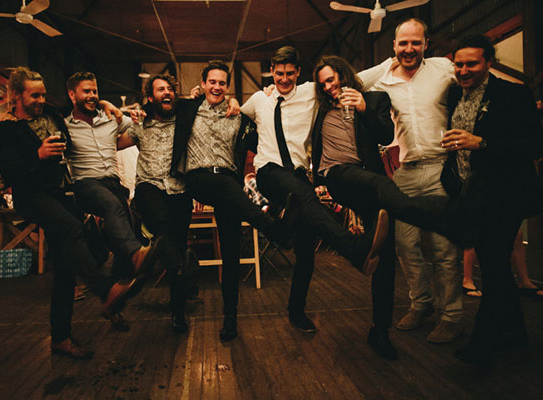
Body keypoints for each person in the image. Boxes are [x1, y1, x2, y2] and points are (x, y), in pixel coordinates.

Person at [0, 67, 155, 360]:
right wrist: (38, 155)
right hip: (32, 197)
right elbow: (8, 171)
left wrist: (104, 102)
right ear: (16, 95)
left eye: (43, 95)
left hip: (59, 194)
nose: (41, 100)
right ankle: (107, 289)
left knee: (65, 268)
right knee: (71, 228)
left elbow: (82, 105)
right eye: (34, 96)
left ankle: (61, 338)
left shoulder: (52, 115)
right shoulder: (3, 129)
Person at [311, 55, 454, 359]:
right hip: (337, 176)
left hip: (368, 179)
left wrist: (363, 107)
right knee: (382, 185)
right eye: (322, 83)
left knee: (384, 255)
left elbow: (386, 136)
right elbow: (286, 96)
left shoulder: (375, 99)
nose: (328, 87)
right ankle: (425, 213)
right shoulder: (319, 106)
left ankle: (380, 332)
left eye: (331, 80)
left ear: (343, 75)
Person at [241, 46, 389, 336]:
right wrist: (226, 101)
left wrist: (393, 62)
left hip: (298, 175)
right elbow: (233, 112)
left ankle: (296, 311)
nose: (284, 79)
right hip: (269, 172)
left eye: (289, 73)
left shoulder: (311, 92)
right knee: (306, 197)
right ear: (271, 71)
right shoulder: (259, 99)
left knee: (306, 247)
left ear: (298, 72)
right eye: (279, 73)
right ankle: (354, 249)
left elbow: (359, 77)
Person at [170, 60, 300, 341]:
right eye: (212, 82)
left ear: (228, 87)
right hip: (198, 178)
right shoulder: (188, 108)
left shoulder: (238, 115)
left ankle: (230, 319)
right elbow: (156, 108)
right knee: (223, 188)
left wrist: (268, 96)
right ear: (203, 83)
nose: (217, 87)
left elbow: (266, 133)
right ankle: (272, 227)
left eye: (222, 83)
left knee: (231, 254)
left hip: (229, 184)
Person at [358, 18, 463, 344]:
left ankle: (451, 316)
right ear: (394, 46)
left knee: (444, 249)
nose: (409, 49)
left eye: (415, 43)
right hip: (405, 171)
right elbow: (353, 82)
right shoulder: (385, 78)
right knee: (404, 245)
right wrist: (386, 64)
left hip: (441, 169)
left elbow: (477, 78)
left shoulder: (442, 69)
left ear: (426, 44)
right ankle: (421, 303)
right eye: (402, 43)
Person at [440, 34, 543, 364]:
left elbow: (533, 146)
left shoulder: (513, 94)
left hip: (505, 195)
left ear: (489, 62)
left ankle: (482, 344)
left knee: (495, 265)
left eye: (471, 64)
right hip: (471, 195)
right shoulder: (453, 94)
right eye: (459, 64)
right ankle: (516, 335)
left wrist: (481, 143)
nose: (463, 70)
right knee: (493, 264)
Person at [65, 71, 163, 331]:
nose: (92, 96)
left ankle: (112, 303)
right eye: (86, 91)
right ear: (72, 95)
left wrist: (124, 112)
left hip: (114, 184)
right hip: (86, 184)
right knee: (111, 209)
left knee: (123, 248)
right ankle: (136, 253)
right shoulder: (65, 126)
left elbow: (140, 126)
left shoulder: (111, 120)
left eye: (95, 91)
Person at [118, 74, 193, 333]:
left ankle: (178, 311)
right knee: (164, 230)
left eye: (170, 88)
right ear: (151, 97)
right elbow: (112, 143)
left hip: (180, 191)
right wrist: (119, 114)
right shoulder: (140, 125)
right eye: (161, 89)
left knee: (176, 247)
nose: (167, 92)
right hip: (149, 188)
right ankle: (177, 270)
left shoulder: (184, 122)